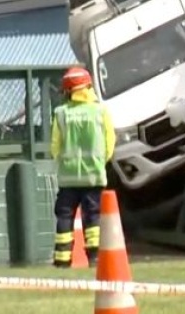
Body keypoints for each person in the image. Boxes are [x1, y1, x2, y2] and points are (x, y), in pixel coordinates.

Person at [50, 66, 115, 268]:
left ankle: (62, 260)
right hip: (94, 176)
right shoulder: (100, 111)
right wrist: (98, 162)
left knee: (64, 216)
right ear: (88, 87)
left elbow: (54, 147)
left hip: (68, 178)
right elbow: (109, 142)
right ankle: (95, 259)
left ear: (69, 90)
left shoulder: (60, 113)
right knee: (93, 216)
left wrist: (64, 163)